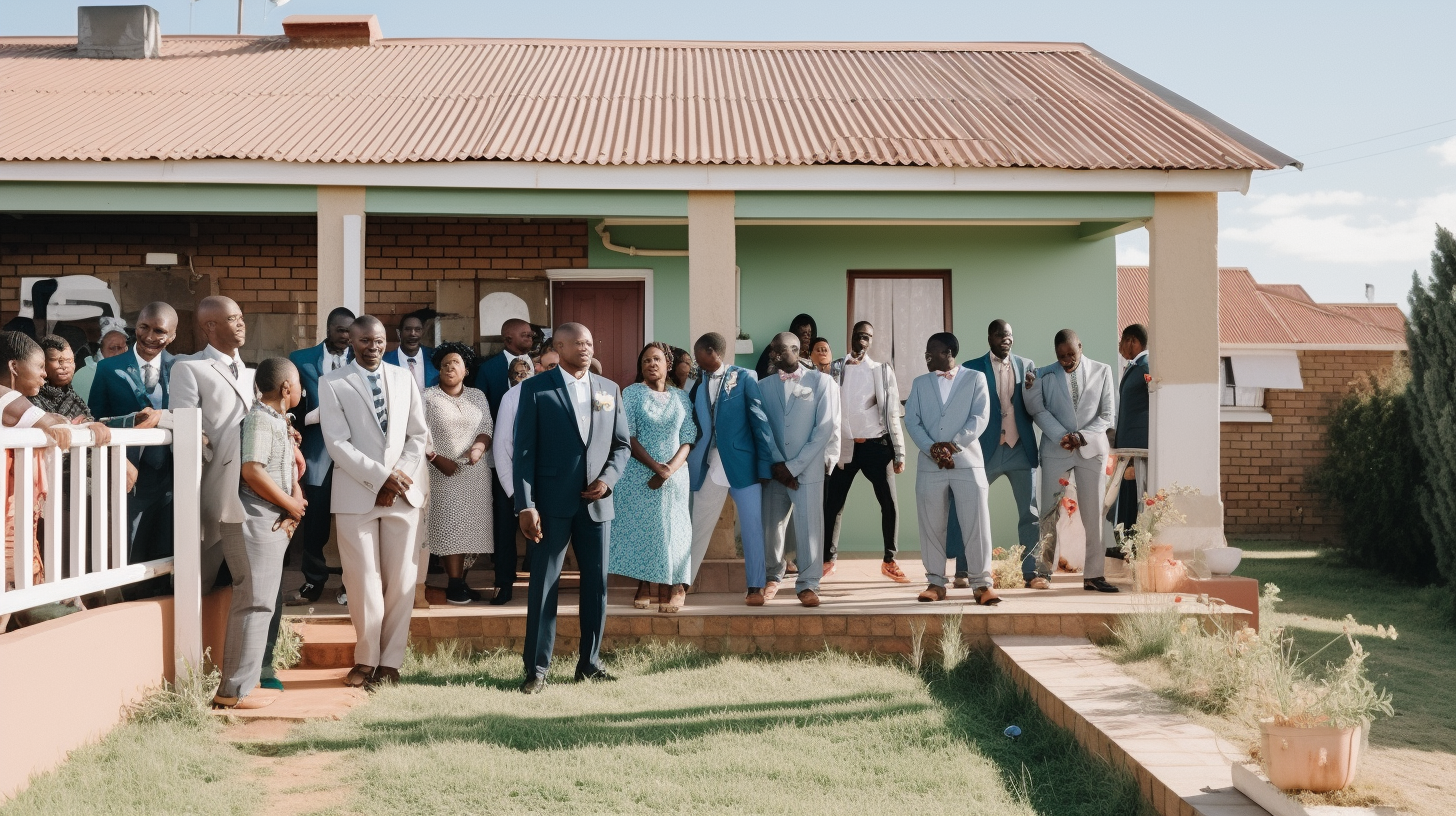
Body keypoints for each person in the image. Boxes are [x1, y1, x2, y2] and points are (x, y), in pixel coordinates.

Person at [513, 323, 630, 694]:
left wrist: (608, 480)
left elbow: (622, 445)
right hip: (550, 505)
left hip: (597, 505)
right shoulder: (534, 389)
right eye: (578, 343)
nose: (586, 348)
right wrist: (525, 505)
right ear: (558, 346)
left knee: (596, 586)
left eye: (590, 343)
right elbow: (524, 453)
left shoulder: (609, 389)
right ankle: (537, 670)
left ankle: (589, 663)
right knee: (544, 586)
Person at [319, 315, 431, 689]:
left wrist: (396, 477)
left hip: (403, 493)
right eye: (366, 340)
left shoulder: (404, 379)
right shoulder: (332, 382)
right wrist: (380, 477)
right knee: (362, 580)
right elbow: (337, 443)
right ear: (351, 341)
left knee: (401, 581)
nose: (374, 346)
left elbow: (418, 435)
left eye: (380, 339)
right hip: (356, 494)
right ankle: (366, 659)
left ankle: (391, 663)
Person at [212, 358, 305, 710]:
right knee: (253, 604)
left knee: (261, 603)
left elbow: (281, 471)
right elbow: (252, 471)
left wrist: (294, 500)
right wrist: (291, 505)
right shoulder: (259, 421)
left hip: (267, 519)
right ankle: (233, 691)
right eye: (297, 385)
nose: (301, 391)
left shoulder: (274, 421)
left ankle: (242, 686)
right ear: (285, 389)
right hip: (253, 519)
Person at [1, 332, 111, 596]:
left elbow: (53, 418)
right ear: (14, 367)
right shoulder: (6, 396)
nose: (44, 375)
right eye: (40, 367)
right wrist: (82, 426)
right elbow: (51, 422)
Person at [902, 332, 998, 605]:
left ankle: (982, 584)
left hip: (967, 462)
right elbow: (912, 420)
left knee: (976, 522)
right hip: (930, 464)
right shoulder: (920, 384)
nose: (927, 357)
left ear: (948, 352)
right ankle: (935, 582)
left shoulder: (975, 378)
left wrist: (953, 446)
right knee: (931, 524)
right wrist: (931, 447)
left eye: (931, 352)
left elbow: (980, 416)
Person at [947, 320, 1045, 588]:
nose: (1007, 339)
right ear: (990, 336)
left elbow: (1034, 404)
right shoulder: (971, 367)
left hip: (1020, 450)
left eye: (1010, 335)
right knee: (970, 508)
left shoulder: (1027, 366)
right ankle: (963, 570)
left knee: (1030, 512)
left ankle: (1031, 573)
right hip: (985, 450)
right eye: (1001, 334)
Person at [687, 332, 779, 606]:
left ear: (713, 352)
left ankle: (755, 587)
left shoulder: (745, 376)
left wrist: (765, 465)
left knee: (752, 526)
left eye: (699, 354)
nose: (696, 360)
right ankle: (683, 581)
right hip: (710, 464)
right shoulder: (698, 381)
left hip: (744, 466)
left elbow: (760, 422)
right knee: (697, 524)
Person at [1024, 329, 1119, 593]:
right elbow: (1036, 409)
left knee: (1093, 515)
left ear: (1080, 345)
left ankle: (1094, 576)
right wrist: (1061, 436)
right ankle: (1043, 572)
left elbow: (1108, 415)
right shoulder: (1043, 373)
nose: (1066, 360)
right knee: (1048, 513)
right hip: (1056, 449)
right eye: (1061, 356)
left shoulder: (1103, 371)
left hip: (1091, 450)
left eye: (1071, 354)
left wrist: (1081, 436)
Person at [88, 303, 177, 584]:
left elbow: (196, 414)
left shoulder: (182, 368)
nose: (150, 336)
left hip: (173, 477)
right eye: (143, 327)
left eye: (159, 331)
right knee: (130, 550)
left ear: (172, 336)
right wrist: (117, 457)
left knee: (168, 549)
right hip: (131, 477)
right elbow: (95, 420)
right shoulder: (107, 368)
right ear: (134, 327)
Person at [609, 343, 697, 613]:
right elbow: (628, 435)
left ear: (667, 364)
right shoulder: (632, 393)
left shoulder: (681, 397)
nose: (651, 364)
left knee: (675, 529)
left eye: (656, 359)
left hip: (676, 475)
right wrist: (656, 469)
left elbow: (689, 437)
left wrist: (669, 469)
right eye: (646, 360)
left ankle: (675, 587)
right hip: (639, 473)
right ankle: (644, 584)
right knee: (645, 529)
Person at [759, 332, 840, 607]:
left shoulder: (822, 382)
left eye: (778, 351)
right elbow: (762, 428)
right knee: (772, 526)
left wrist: (793, 467)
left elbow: (825, 428)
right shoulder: (763, 386)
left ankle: (808, 583)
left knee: (810, 527)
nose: (773, 355)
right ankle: (772, 576)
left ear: (795, 350)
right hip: (775, 469)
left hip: (806, 469)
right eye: (772, 351)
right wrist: (778, 465)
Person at [824, 321, 907, 581]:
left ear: (872, 341)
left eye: (868, 337)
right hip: (845, 447)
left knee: (889, 504)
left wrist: (899, 452)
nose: (863, 341)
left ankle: (889, 560)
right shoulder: (836, 368)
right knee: (833, 504)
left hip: (876, 446)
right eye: (859, 336)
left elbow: (893, 411)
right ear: (851, 337)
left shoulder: (881, 371)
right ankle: (828, 560)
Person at [288, 306, 354, 604]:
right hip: (316, 453)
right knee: (315, 522)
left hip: (355, 454)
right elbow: (288, 404)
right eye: (340, 330)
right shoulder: (300, 360)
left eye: (350, 331)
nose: (346, 336)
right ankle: (313, 581)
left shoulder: (364, 359)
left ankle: (352, 584)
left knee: (354, 520)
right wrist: (308, 419)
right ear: (328, 330)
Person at [422, 342, 494, 605]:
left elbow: (486, 425)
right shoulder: (427, 396)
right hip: (441, 474)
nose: (450, 366)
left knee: (472, 529)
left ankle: (462, 581)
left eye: (456, 363)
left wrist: (478, 447)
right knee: (450, 526)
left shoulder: (477, 396)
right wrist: (436, 458)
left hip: (475, 474)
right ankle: (453, 584)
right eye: (445, 363)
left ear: (466, 370)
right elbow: (417, 433)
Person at [475, 317, 535, 605]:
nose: (531, 337)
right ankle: (503, 582)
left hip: (537, 461)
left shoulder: (540, 367)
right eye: (525, 334)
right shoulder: (488, 369)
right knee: (503, 524)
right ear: (508, 337)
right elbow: (481, 411)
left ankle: (537, 576)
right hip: (501, 459)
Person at [1112, 324, 1150, 535]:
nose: (1120, 347)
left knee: (1135, 492)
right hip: (1128, 444)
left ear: (1132, 341)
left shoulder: (1145, 367)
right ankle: (1124, 538)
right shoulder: (1135, 366)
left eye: (1122, 342)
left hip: (1138, 444)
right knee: (1126, 490)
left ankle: (1132, 540)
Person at [490, 356, 535, 507]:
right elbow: (501, 446)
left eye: (526, 373)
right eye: (518, 374)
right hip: (520, 486)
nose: (522, 378)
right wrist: (512, 491)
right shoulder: (510, 397)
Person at [32, 335, 92, 420]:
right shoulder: (31, 397)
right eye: (56, 360)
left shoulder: (75, 401)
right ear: (42, 363)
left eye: (69, 360)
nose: (64, 366)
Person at [70, 328, 129, 404]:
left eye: (126, 348)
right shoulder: (85, 374)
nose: (122, 353)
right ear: (101, 351)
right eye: (115, 348)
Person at [383, 310, 437, 391]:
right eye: (408, 329)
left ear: (422, 332)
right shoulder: (385, 361)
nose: (413, 333)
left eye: (417, 329)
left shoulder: (435, 358)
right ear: (399, 332)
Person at [755, 313, 817, 380]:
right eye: (803, 333)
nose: (806, 337)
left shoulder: (815, 351)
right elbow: (765, 376)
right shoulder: (778, 348)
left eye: (809, 334)